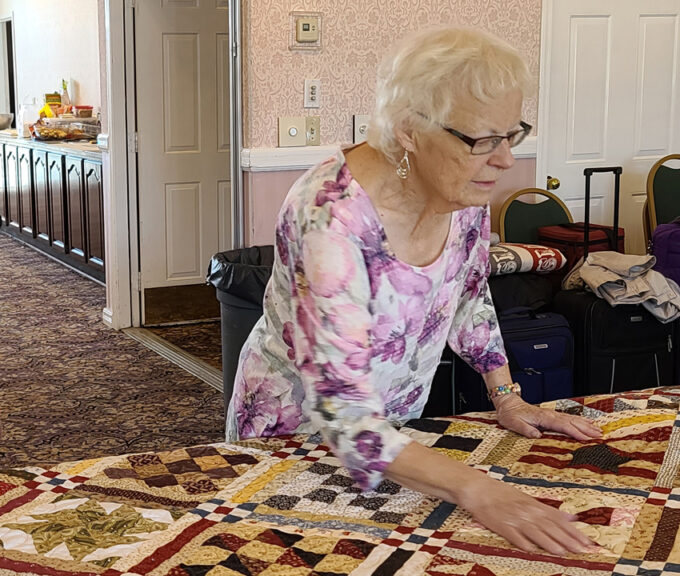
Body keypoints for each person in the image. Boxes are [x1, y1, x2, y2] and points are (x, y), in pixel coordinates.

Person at [226, 26, 604, 556]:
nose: (505, 161)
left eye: (511, 135)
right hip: (296, 433)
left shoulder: (463, 189)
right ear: (408, 130)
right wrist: (478, 489)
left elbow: (469, 293)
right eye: (482, 140)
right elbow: (342, 410)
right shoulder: (330, 213)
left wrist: (506, 394)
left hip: (396, 433)